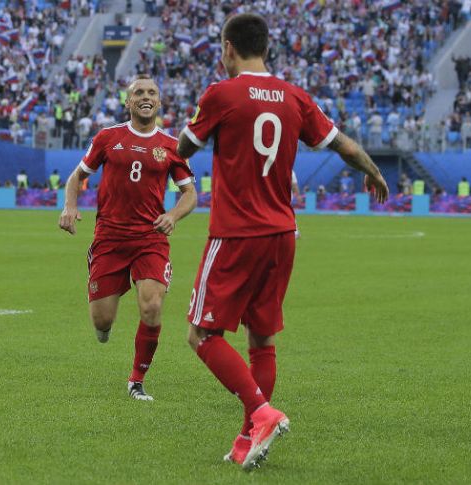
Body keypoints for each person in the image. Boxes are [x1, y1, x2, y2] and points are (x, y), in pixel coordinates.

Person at [176, 13, 388, 470]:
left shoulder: (220, 93)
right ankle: (247, 439)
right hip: (282, 234)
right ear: (266, 48)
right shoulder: (295, 97)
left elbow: (184, 147)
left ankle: (262, 413)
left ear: (229, 48)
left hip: (236, 233)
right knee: (262, 338)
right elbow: (344, 147)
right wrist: (373, 171)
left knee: (201, 334)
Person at [59, 74, 197, 402]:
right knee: (102, 321)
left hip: (150, 238)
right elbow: (78, 177)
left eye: (152, 92)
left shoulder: (171, 146)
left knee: (151, 305)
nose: (145, 97)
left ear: (160, 102)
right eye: (139, 92)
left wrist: (172, 215)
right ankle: (104, 322)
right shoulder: (108, 137)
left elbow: (190, 194)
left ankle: (136, 380)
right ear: (128, 101)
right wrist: (69, 206)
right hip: (109, 238)